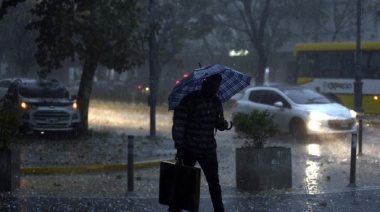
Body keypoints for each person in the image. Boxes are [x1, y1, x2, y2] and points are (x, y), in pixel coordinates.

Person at [169, 74, 230, 212]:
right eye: (212, 85)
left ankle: (219, 210)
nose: (214, 89)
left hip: (209, 149)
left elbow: (218, 122)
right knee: (182, 182)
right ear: (205, 83)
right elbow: (179, 124)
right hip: (190, 148)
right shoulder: (189, 101)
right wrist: (180, 147)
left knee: (214, 183)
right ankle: (174, 209)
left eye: (217, 86)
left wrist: (222, 124)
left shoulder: (216, 101)